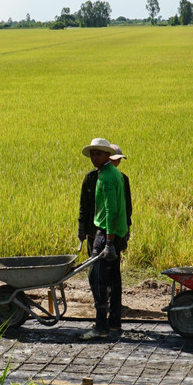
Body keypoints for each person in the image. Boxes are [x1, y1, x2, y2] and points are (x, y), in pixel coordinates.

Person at [80, 138, 129, 341]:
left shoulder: (107, 177)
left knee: (97, 278)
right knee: (111, 277)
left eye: (98, 154)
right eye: (92, 154)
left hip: (106, 232)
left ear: (108, 155)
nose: (94, 157)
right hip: (113, 232)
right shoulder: (111, 173)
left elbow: (111, 210)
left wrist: (108, 242)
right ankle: (114, 324)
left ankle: (101, 326)